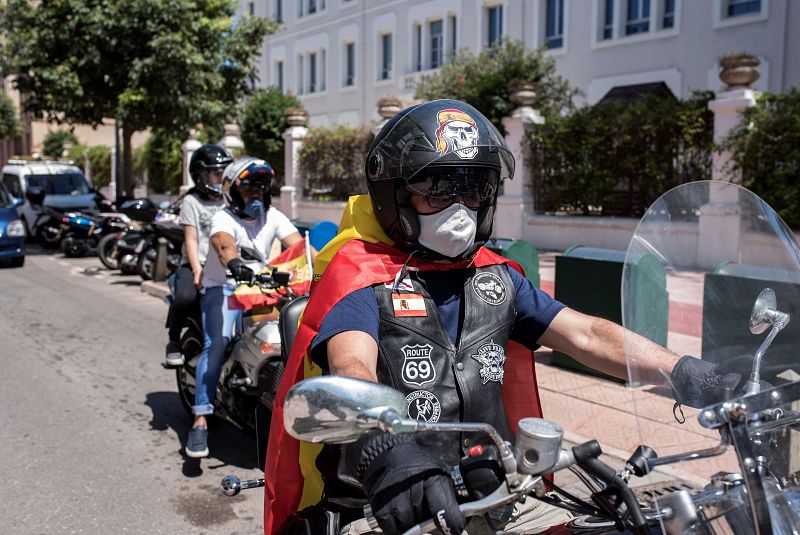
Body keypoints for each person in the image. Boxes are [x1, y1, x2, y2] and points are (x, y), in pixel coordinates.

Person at [264, 100, 750, 534]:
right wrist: (386, 450)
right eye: (438, 191)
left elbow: (585, 334)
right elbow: (352, 367)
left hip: (495, 492)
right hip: (393, 497)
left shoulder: (495, 278)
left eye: (474, 190)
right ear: (395, 194)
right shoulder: (361, 276)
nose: (459, 208)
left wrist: (685, 371)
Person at [185, 156, 306, 459]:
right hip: (223, 287)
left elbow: (299, 247)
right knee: (218, 343)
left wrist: (324, 265)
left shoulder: (273, 216)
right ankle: (200, 419)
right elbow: (223, 243)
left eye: (261, 188)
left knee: (288, 339)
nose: (256, 195)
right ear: (233, 192)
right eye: (249, 188)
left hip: (260, 288)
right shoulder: (224, 218)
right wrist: (234, 263)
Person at [164, 144, 232, 366]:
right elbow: (191, 239)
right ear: (201, 176)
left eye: (223, 172)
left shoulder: (230, 199)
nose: (221, 178)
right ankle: (174, 341)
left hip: (225, 263)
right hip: (197, 262)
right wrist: (196, 270)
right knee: (185, 297)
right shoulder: (191, 201)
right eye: (216, 173)